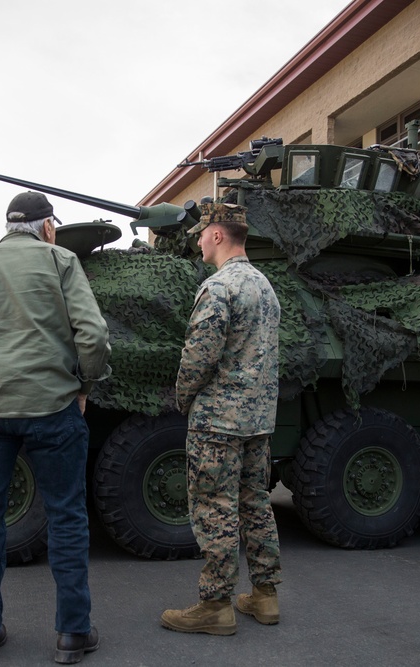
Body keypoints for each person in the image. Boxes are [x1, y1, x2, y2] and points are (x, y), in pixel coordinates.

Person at [0, 191, 111, 664]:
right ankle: (72, 634)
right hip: (53, 410)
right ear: (47, 226)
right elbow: (93, 335)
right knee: (67, 516)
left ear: (9, 226)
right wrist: (84, 385)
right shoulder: (61, 260)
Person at [161, 202, 283, 636]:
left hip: (217, 421)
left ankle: (216, 605)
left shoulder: (219, 287)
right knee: (255, 503)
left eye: (201, 233)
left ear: (217, 234)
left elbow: (199, 355)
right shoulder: (265, 287)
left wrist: (183, 396)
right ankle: (265, 595)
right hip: (258, 420)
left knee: (215, 508)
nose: (196, 240)